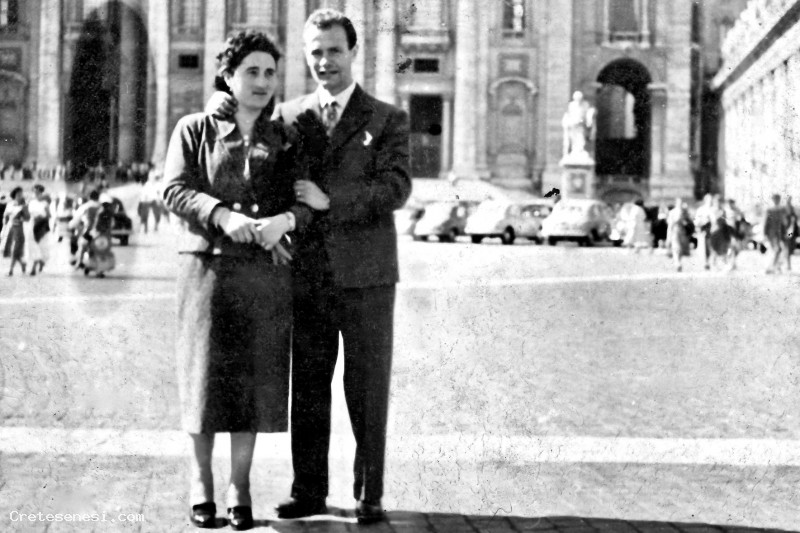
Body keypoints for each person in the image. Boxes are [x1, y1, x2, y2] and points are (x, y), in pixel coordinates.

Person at [209, 8, 411, 524]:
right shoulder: (288, 114)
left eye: (334, 51)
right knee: (309, 388)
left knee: (366, 388)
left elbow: (396, 188)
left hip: (367, 277)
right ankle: (309, 490)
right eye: (316, 52)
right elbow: (256, 155)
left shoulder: (387, 117)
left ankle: (369, 492)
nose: (325, 62)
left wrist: (330, 200)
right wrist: (219, 103)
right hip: (308, 273)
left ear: (353, 52)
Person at [163, 30, 322, 531]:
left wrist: (286, 221)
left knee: (250, 386)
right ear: (228, 76)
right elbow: (174, 189)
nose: (262, 81)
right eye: (251, 71)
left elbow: (304, 202)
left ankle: (240, 485)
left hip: (262, 274)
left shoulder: (285, 137)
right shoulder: (194, 128)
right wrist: (221, 214)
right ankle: (200, 483)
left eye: (270, 72)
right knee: (204, 381)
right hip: (207, 270)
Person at [69, 189, 102, 269]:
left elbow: (76, 219)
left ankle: (79, 262)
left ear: (89, 197)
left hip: (89, 230)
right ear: (98, 197)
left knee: (82, 244)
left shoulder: (85, 206)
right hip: (101, 232)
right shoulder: (102, 206)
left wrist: (71, 226)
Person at [0, 187, 30, 275]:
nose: (20, 196)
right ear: (14, 195)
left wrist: (20, 219)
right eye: (18, 195)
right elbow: (5, 216)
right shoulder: (10, 204)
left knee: (15, 249)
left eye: (21, 194)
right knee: (10, 249)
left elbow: (27, 218)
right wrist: (5, 222)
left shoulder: (24, 206)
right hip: (10, 228)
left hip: (19, 229)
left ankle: (11, 270)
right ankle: (22, 263)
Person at [27, 184, 52, 275]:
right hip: (32, 225)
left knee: (42, 246)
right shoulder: (31, 202)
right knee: (33, 246)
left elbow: (49, 215)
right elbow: (28, 215)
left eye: (38, 192)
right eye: (35, 192)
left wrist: (41, 217)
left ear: (41, 192)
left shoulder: (45, 203)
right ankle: (34, 266)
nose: (36, 194)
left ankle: (41, 262)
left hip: (42, 226)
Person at [666, 199, 694, 272]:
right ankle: (677, 263)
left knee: (681, 248)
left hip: (683, 232)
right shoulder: (672, 212)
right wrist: (669, 235)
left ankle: (679, 262)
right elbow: (670, 224)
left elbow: (689, 222)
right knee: (676, 247)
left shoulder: (684, 212)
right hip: (675, 231)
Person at [763, 193, 787, 274]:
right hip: (771, 233)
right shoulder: (769, 210)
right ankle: (771, 267)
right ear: (772, 200)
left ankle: (774, 267)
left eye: (778, 199)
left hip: (779, 233)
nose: (777, 200)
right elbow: (765, 222)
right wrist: (764, 234)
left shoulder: (782, 209)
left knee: (779, 250)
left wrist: (785, 232)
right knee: (775, 250)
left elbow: (784, 222)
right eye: (775, 199)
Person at [784, 195, 797, 271]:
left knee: (788, 249)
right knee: (786, 249)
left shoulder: (792, 209)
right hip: (785, 232)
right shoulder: (784, 209)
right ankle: (787, 265)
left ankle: (787, 265)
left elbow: (793, 225)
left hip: (790, 232)